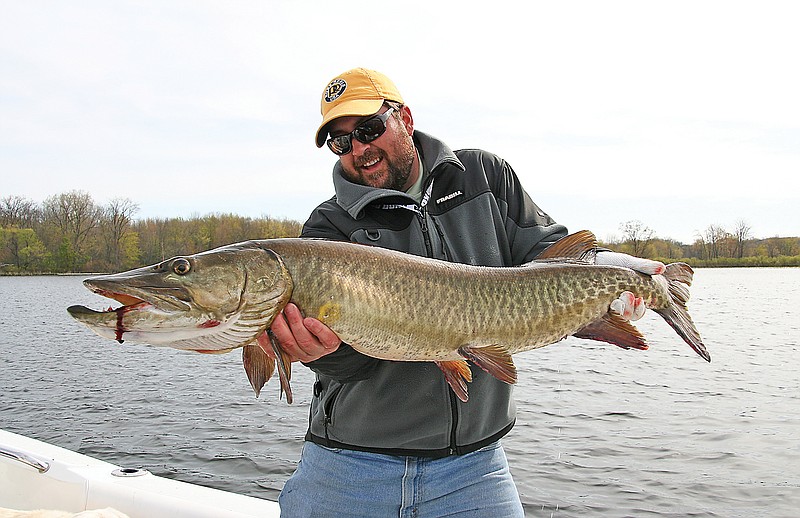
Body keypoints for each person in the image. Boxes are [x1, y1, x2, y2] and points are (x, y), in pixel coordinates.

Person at [265, 68, 663, 517]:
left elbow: (548, 256)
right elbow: (347, 367)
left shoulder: (485, 177)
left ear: (405, 119)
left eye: (369, 129)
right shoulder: (328, 230)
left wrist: (613, 280)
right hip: (349, 466)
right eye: (341, 143)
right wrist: (320, 351)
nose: (359, 148)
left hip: (474, 469)